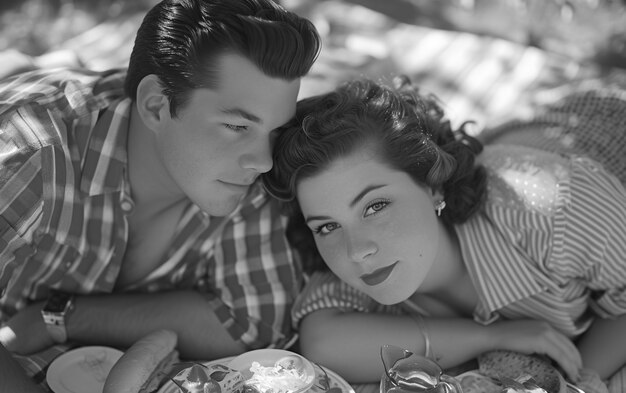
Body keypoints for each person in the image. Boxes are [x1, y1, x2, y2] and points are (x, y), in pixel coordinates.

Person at [0, 0, 321, 391]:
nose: (265, 161)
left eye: (274, 131)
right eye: (237, 126)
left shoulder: (251, 171)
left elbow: (248, 322)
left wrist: (59, 316)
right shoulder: (31, 155)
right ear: (156, 105)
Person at [262, 75, 626, 393]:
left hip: (601, 133)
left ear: (434, 185)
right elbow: (325, 343)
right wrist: (490, 337)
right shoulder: (359, 265)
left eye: (375, 206)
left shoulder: (553, 208)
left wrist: (582, 380)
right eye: (327, 225)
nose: (356, 251)